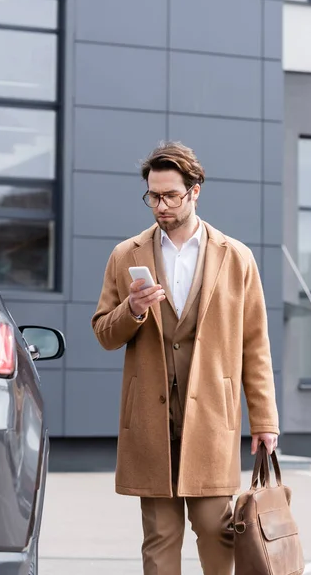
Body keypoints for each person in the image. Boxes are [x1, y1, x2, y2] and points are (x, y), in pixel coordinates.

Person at [92, 142, 280, 575]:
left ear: (195, 192)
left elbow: (256, 345)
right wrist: (134, 310)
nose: (160, 205)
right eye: (153, 196)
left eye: (170, 195)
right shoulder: (126, 255)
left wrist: (264, 421)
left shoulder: (236, 258)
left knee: (216, 530)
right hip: (149, 419)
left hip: (212, 415)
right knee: (159, 537)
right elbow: (104, 332)